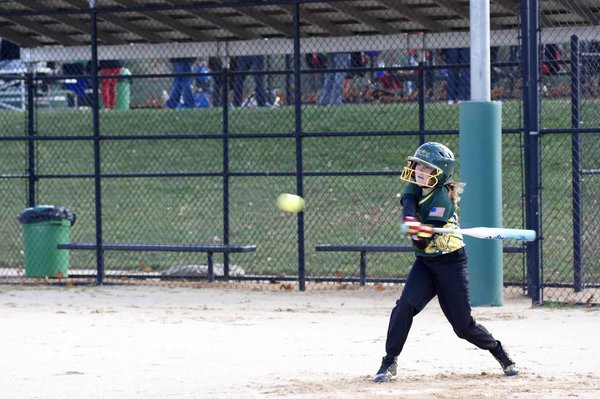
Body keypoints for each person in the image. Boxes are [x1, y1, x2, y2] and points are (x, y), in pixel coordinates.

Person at [372, 142, 519, 383]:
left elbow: (421, 242)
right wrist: (410, 218)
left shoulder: (442, 201)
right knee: (404, 307)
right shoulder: (417, 185)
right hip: (425, 264)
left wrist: (417, 231)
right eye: (418, 165)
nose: (419, 171)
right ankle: (389, 361)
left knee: (463, 327)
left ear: (439, 174)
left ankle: (497, 350)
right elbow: (408, 198)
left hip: (450, 264)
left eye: (426, 168)